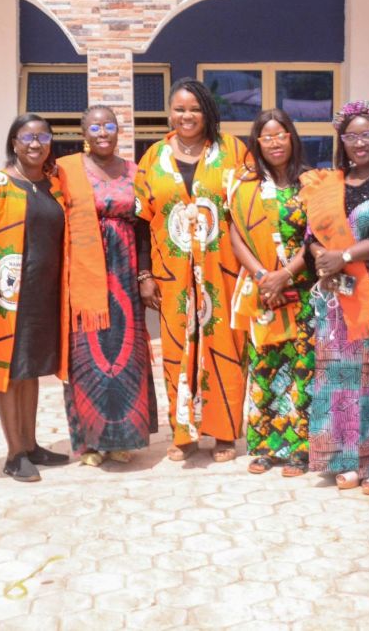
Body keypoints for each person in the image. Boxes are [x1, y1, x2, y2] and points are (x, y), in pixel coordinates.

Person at [134, 78, 248, 463]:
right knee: (176, 351)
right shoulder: (153, 157)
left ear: (207, 111)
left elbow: (249, 209)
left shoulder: (233, 151)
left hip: (223, 271)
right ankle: (183, 433)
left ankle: (224, 432)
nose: (187, 116)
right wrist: (145, 275)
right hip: (172, 275)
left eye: (195, 109)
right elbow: (140, 221)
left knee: (225, 348)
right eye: (180, 109)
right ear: (170, 113)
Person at [299, 101, 369, 494]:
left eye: (367, 135)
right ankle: (344, 459)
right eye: (351, 136)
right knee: (339, 377)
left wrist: (343, 256)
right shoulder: (330, 183)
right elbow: (311, 235)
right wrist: (320, 256)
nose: (359, 143)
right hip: (334, 297)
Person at [57, 105, 158, 466]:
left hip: (125, 275)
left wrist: (145, 275)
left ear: (119, 130)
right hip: (84, 274)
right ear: (83, 132)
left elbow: (145, 227)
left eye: (109, 126)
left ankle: (121, 440)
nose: (102, 133)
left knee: (126, 355)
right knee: (87, 357)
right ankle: (90, 442)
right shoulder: (66, 170)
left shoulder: (135, 172)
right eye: (95, 127)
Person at [0, 113, 70, 482]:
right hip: (9, 295)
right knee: (10, 372)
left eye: (43, 137)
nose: (35, 143)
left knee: (30, 371)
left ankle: (31, 444)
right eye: (27, 137)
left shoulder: (53, 186)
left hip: (44, 293)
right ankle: (14, 454)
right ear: (14, 143)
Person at [227, 109, 315, 477]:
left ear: (291, 137)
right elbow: (235, 233)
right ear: (257, 143)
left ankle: (301, 449)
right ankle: (266, 447)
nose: (275, 142)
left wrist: (286, 276)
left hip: (303, 289)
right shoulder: (245, 185)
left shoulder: (310, 183)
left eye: (281, 135)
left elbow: (316, 237)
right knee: (265, 366)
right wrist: (264, 277)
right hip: (262, 291)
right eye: (267, 137)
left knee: (302, 368)